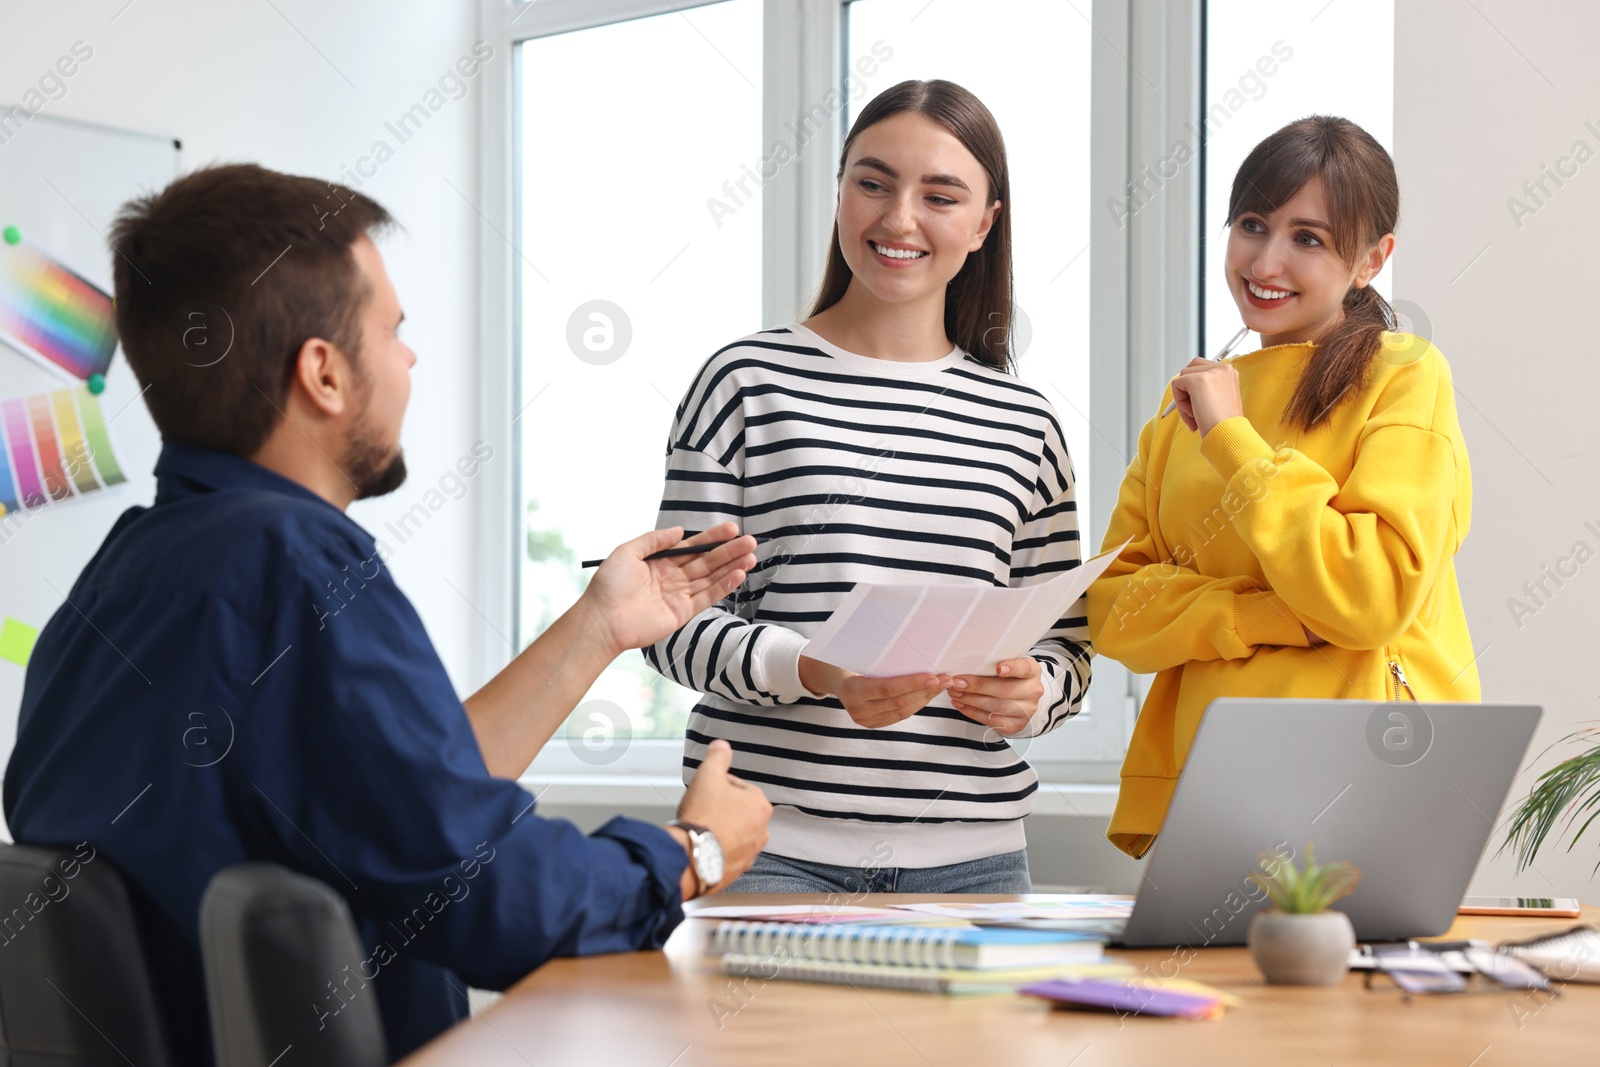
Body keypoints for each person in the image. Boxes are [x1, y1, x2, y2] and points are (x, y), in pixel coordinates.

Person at [2, 163, 771, 1064]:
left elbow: (399, 805)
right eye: (392, 331)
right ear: (323, 373)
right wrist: (691, 851)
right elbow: (484, 898)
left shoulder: (121, 579)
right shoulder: (296, 567)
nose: (408, 359)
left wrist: (598, 625)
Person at [644, 80, 1093, 894]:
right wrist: (817, 667)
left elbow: (1070, 644)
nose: (898, 219)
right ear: (841, 188)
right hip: (763, 847)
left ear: (985, 223)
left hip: (976, 865)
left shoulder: (1026, 423)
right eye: (873, 182)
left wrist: (1034, 693)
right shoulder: (744, 383)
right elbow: (668, 624)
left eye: (941, 195)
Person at [1087, 116, 1478, 859]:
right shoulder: (1181, 413)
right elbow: (1113, 608)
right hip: (1209, 786)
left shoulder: (1404, 374)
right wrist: (1271, 614)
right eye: (1252, 224)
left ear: (1371, 259)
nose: (1266, 260)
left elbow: (1370, 595)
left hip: (1367, 768)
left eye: (1309, 238)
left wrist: (1236, 442)